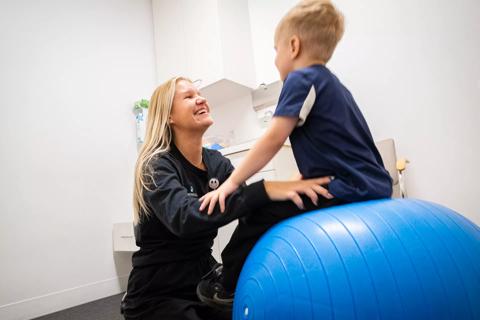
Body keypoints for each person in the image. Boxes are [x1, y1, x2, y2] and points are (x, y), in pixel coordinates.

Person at [197, 0, 393, 309]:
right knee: (283, 203)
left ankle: (228, 285)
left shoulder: (301, 80)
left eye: (275, 50)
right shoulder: (334, 85)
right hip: (370, 184)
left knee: (258, 214)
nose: (275, 58)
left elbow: (273, 138)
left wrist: (231, 183)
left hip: (347, 190)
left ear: (293, 45)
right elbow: (342, 145)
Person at [121, 76, 333, 320]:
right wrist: (265, 190)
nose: (201, 99)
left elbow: (247, 205)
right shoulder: (156, 164)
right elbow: (185, 218)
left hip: (204, 278)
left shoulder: (216, 163)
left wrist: (293, 186)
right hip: (157, 291)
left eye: (199, 93)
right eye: (189, 96)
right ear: (169, 117)